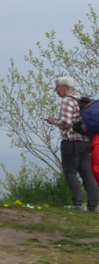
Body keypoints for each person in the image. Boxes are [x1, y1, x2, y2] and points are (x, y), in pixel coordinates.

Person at [45, 76, 98, 211]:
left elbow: (67, 122)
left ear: (64, 87)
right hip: (85, 141)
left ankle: (78, 203)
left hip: (72, 142)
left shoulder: (67, 101)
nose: (56, 90)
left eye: (57, 87)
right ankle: (94, 204)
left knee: (70, 172)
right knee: (86, 173)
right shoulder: (80, 100)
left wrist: (54, 122)